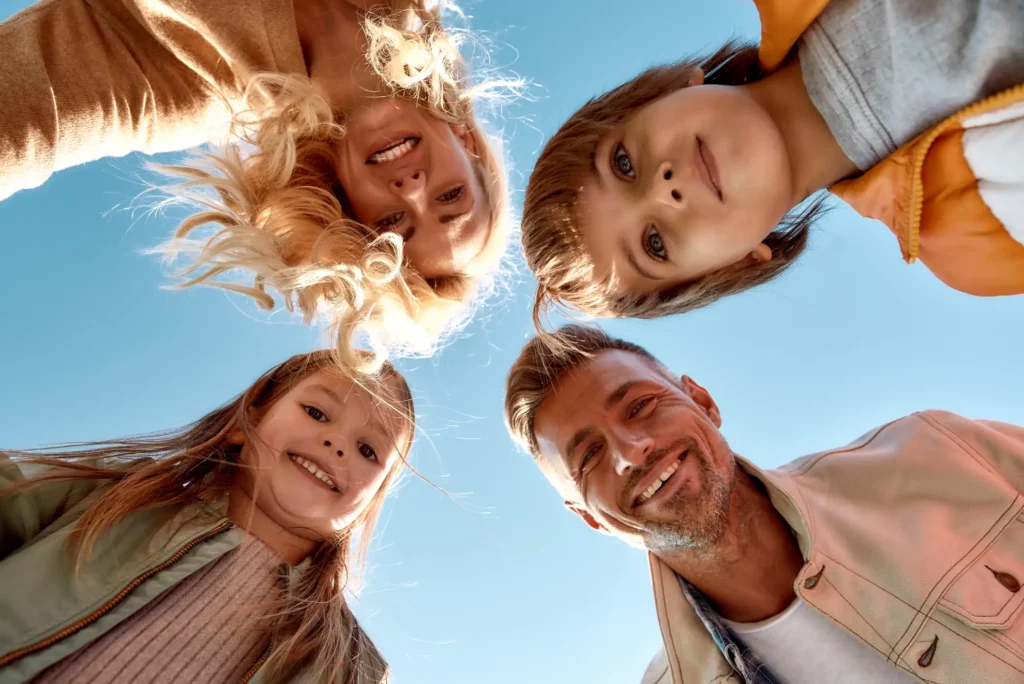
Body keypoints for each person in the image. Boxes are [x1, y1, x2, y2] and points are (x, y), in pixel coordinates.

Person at [0, 0, 515, 371]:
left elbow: (28, 123)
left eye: (392, 222)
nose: (412, 188)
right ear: (467, 142)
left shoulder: (185, 83)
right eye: (451, 198)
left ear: (346, 202)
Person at [504, 324, 1024, 683]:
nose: (630, 450)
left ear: (703, 400)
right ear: (590, 518)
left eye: (641, 406)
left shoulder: (935, 455)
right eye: (590, 455)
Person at [521, 0, 1024, 323]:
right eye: (654, 244)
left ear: (663, 92)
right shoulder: (977, 243)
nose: (663, 190)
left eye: (624, 164)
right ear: (737, 265)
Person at [0, 349, 414, 683]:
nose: (337, 443)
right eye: (318, 413)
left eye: (368, 452)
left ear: (372, 500)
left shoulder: (352, 670)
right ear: (246, 420)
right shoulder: (111, 497)